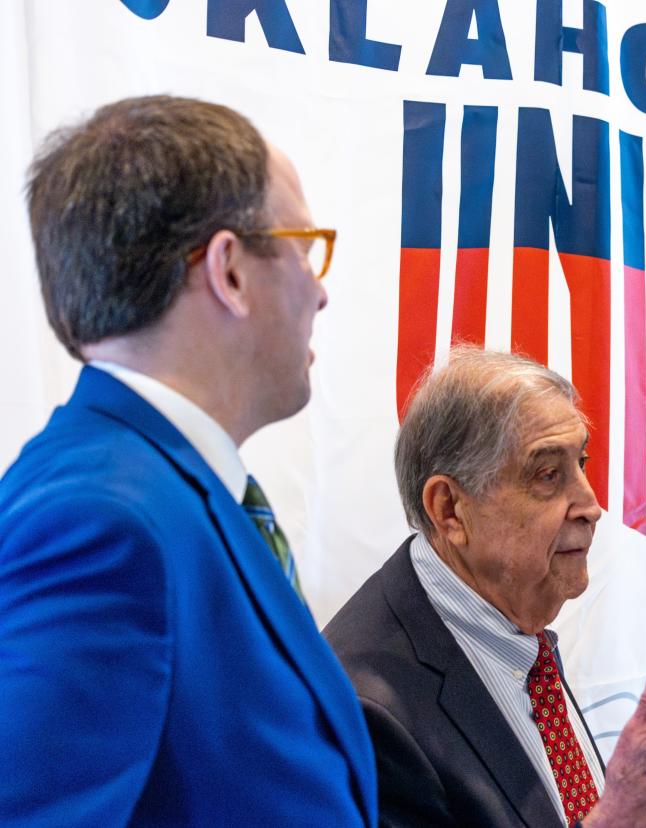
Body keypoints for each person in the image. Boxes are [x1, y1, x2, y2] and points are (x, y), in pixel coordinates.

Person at [0, 96, 375, 825]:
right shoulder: (101, 522)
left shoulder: (167, 494)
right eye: (305, 247)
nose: (319, 289)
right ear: (229, 270)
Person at [325, 346, 646, 828]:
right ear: (449, 509)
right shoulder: (371, 715)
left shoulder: (506, 621)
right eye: (547, 475)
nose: (590, 505)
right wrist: (621, 818)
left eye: (581, 462)